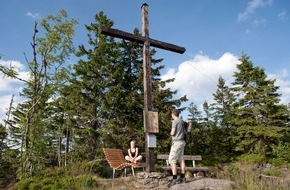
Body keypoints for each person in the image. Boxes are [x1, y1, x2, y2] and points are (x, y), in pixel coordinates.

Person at [167, 109, 186, 187]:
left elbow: (173, 132)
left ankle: (174, 179)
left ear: (173, 114)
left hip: (177, 142)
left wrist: (170, 133)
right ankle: (182, 177)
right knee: (181, 159)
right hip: (182, 142)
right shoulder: (182, 121)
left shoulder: (175, 121)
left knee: (172, 160)